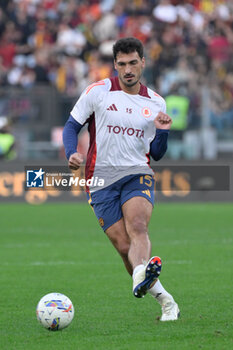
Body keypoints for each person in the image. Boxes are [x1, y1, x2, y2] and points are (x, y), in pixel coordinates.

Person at [63, 37, 180, 321]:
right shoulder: (98, 92)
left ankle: (143, 274)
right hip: (99, 179)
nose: (128, 69)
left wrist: (162, 131)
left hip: (136, 173)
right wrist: (71, 153)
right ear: (115, 65)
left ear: (143, 62)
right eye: (122, 64)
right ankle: (166, 301)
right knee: (125, 249)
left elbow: (157, 154)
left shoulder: (155, 102)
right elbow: (71, 126)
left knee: (138, 226)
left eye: (133, 63)